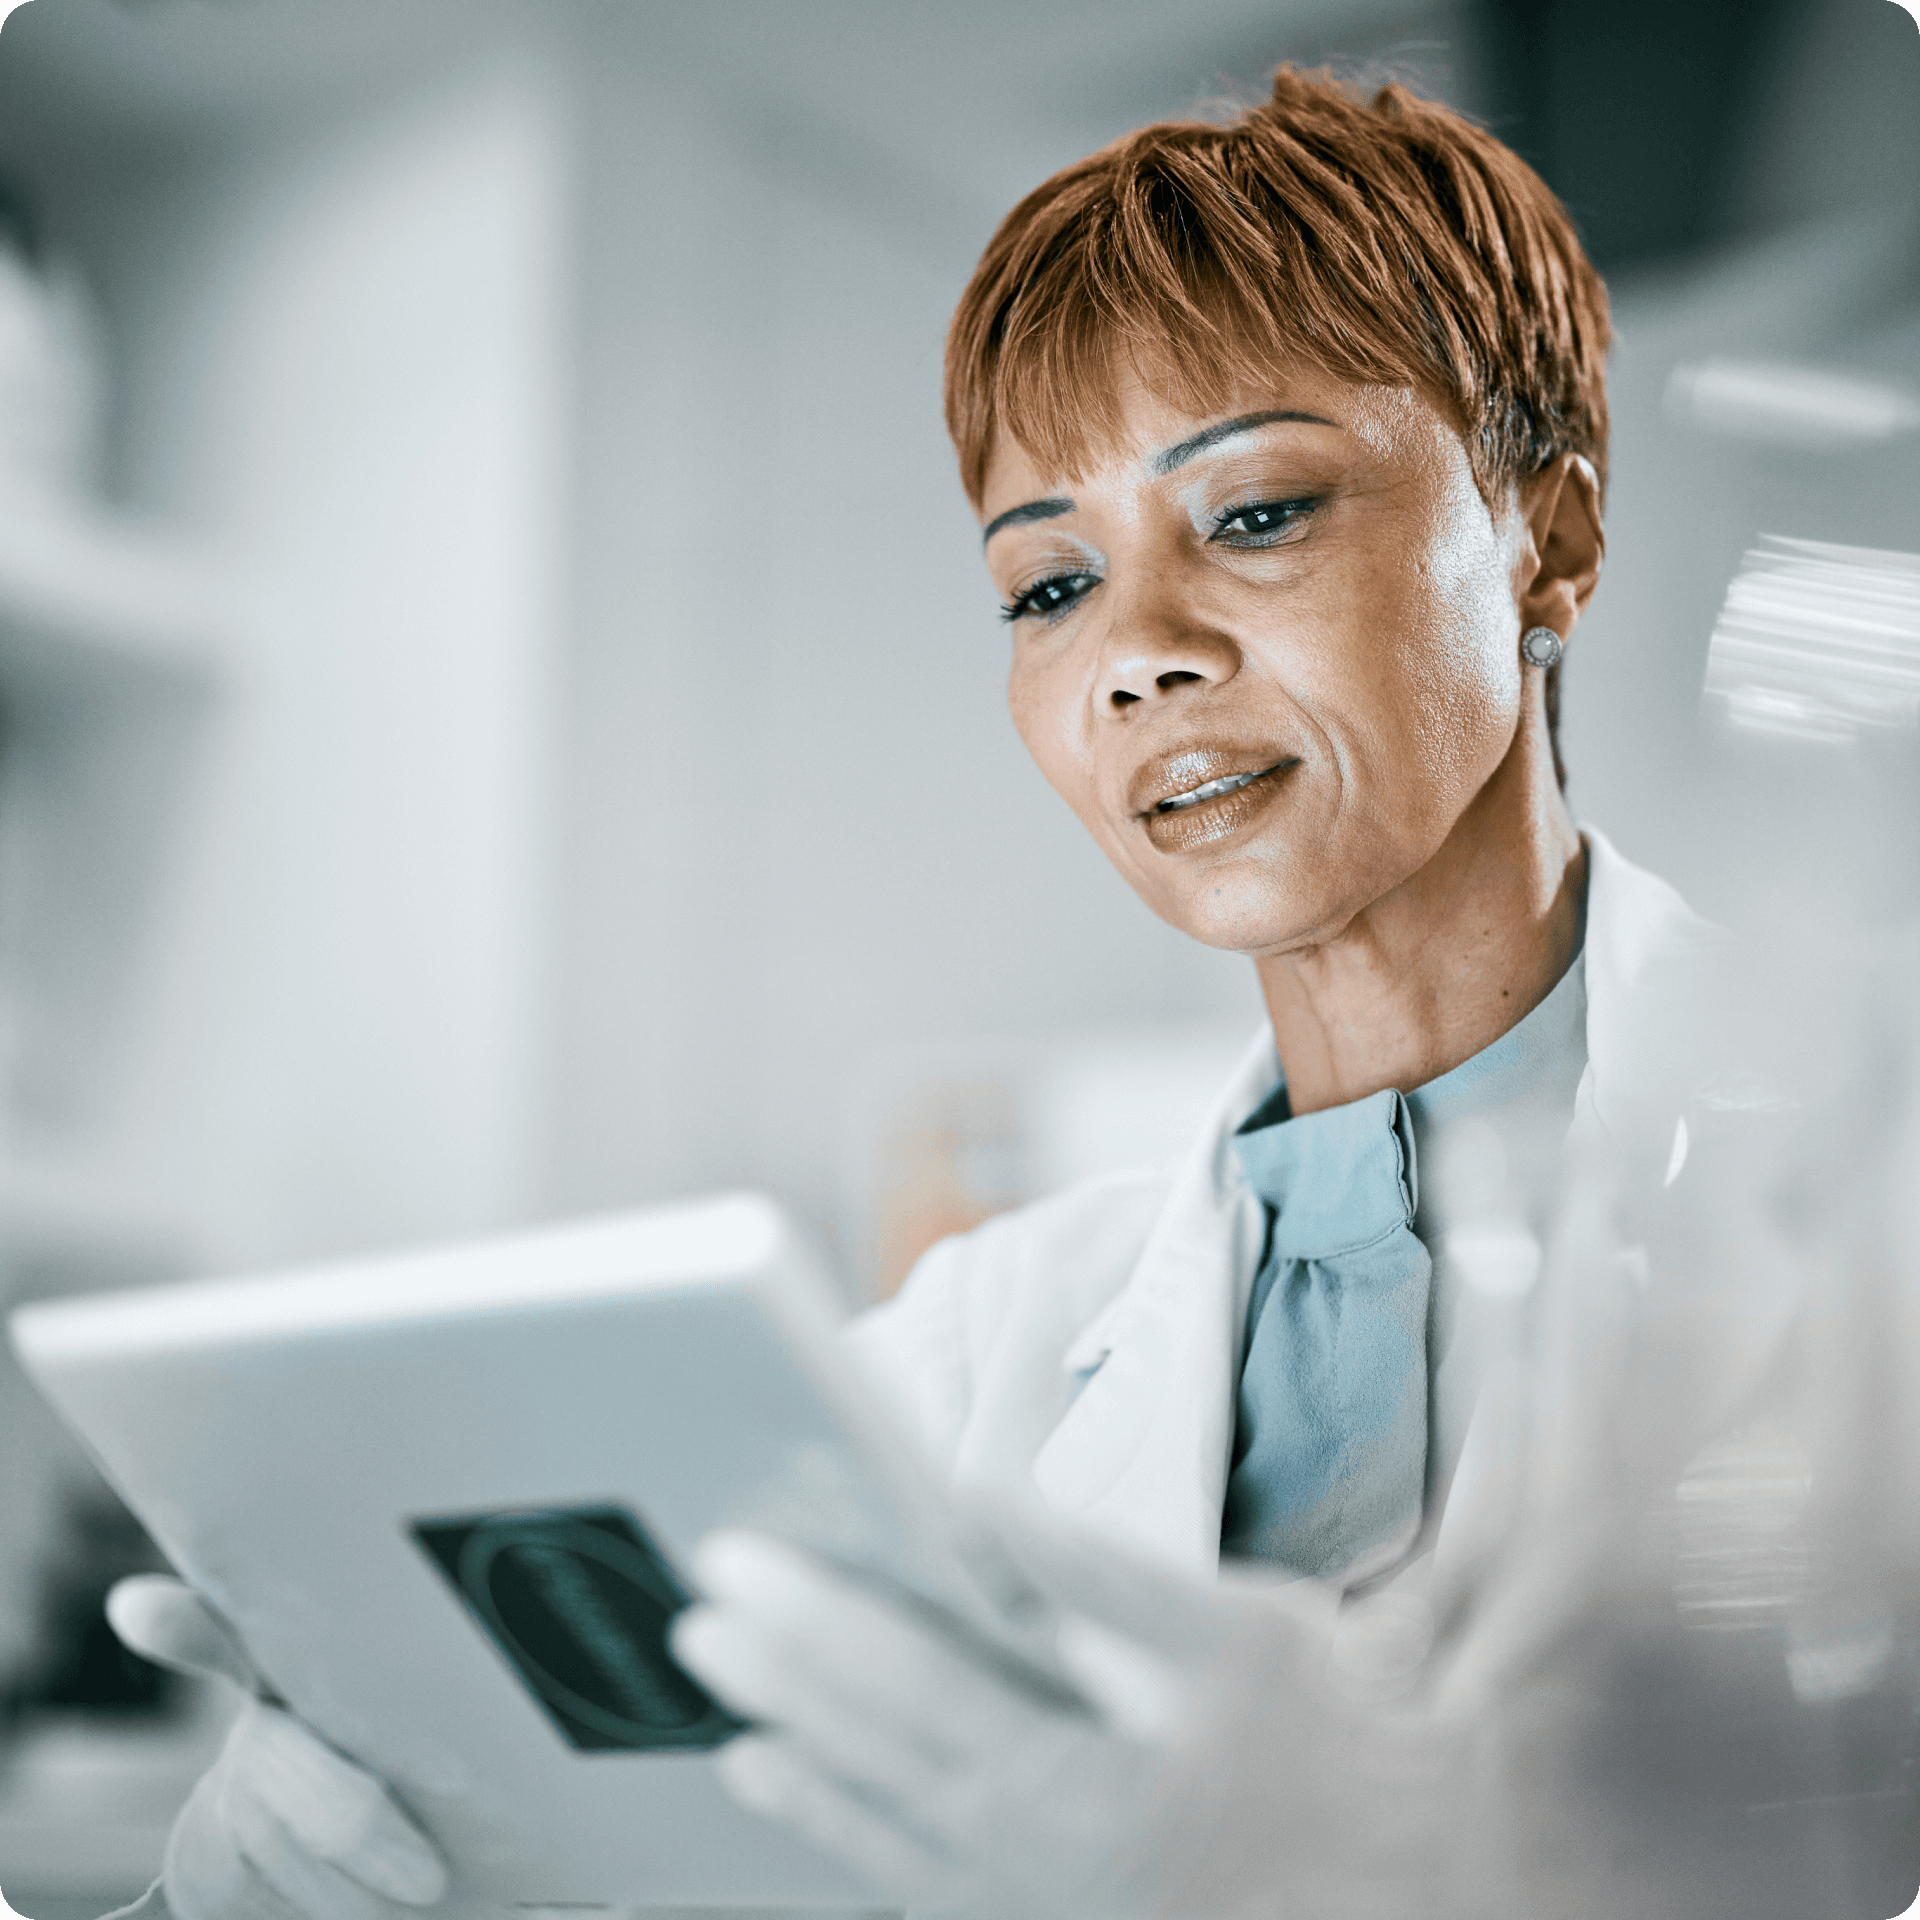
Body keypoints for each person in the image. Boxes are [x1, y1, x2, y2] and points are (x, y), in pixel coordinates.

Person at [104, 63, 1920, 1920]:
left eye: (1259, 510)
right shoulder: (965, 1356)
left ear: (1553, 539)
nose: (1136, 655)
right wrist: (297, 1860)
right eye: (1048, 587)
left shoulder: (1878, 1179)